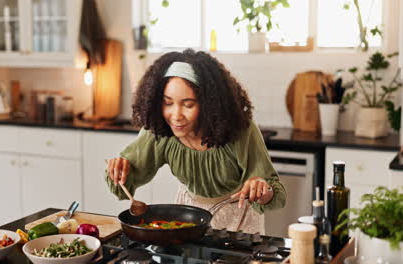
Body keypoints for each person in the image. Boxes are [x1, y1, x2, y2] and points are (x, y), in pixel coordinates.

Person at [106, 48, 286, 234]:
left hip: (239, 221)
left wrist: (263, 191)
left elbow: (275, 194)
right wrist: (119, 171)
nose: (176, 116)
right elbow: (125, 182)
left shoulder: (240, 129)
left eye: (188, 104)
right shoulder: (160, 130)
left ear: (209, 104)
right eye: (168, 103)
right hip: (188, 219)